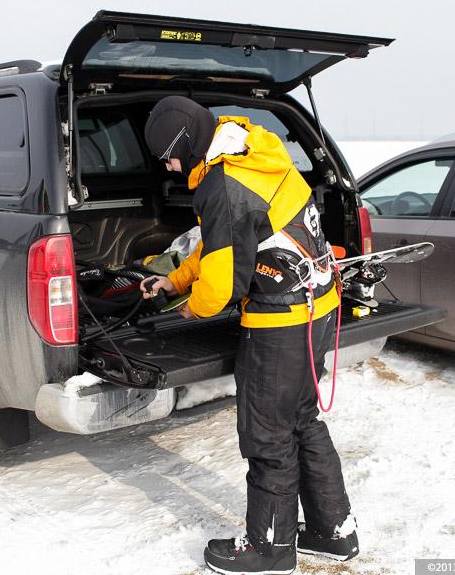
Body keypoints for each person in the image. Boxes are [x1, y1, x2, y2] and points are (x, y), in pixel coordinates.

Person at [142, 96, 359, 575]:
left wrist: (184, 306)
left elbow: (221, 287)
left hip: (279, 322)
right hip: (318, 306)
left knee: (267, 436)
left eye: (169, 156)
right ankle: (332, 532)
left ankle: (269, 548)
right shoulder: (250, 150)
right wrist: (174, 279)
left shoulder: (221, 185)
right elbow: (229, 241)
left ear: (183, 143)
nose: (171, 167)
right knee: (302, 420)